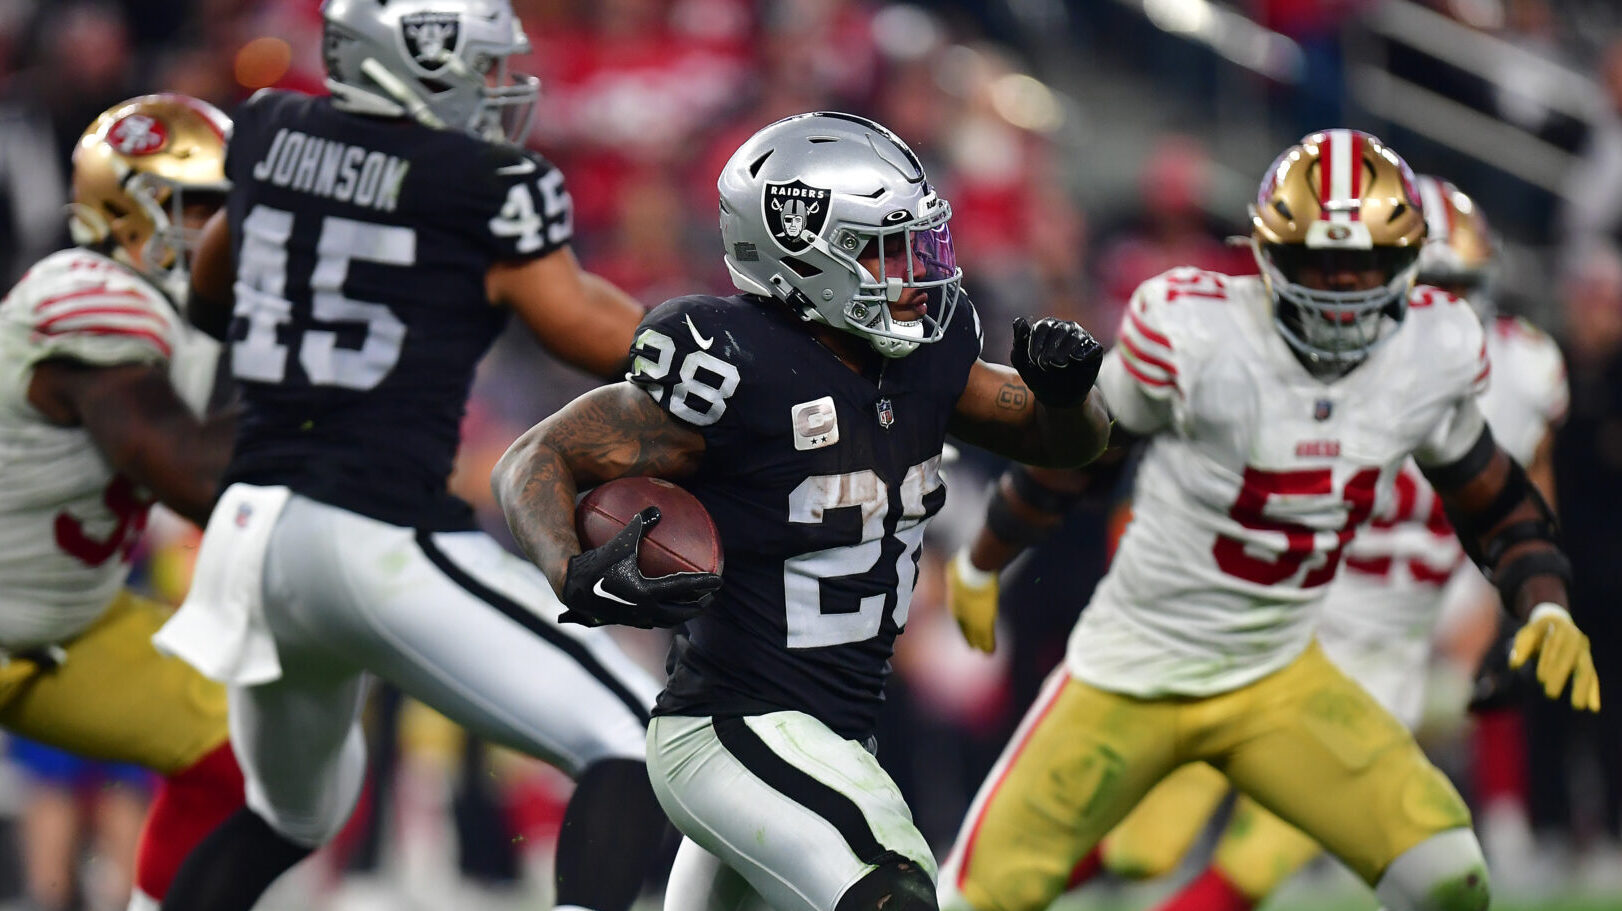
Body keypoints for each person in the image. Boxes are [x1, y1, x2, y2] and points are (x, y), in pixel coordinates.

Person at [933, 130, 1600, 911]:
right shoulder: (1194, 330)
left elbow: (1492, 492)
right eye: (1322, 264)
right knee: (979, 896)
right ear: (1268, 253)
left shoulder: (1437, 347)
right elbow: (1085, 453)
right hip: (1141, 660)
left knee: (1452, 875)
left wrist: (1544, 598)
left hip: (1283, 666)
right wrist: (985, 556)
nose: (1344, 291)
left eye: (1366, 266)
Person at [491, 111, 1112, 911]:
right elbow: (534, 458)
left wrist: (1065, 397)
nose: (915, 273)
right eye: (886, 251)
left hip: (831, 737)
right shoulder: (732, 363)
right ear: (804, 252)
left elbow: (1065, 443)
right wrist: (569, 566)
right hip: (731, 729)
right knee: (892, 884)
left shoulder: (928, 351)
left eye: (918, 246)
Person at [150, 3, 669, 910]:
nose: (499, 88)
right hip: (371, 531)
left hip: (250, 534)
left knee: (292, 814)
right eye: (480, 65)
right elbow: (577, 322)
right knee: (638, 738)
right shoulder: (476, 179)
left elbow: (210, 286)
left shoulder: (272, 129)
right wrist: (733, 357)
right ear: (414, 61)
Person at [0, 93, 248, 911]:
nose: (224, 229)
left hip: (67, 621)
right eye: (203, 205)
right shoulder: (89, 293)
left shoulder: (168, 308)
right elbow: (189, 475)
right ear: (128, 205)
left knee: (246, 746)